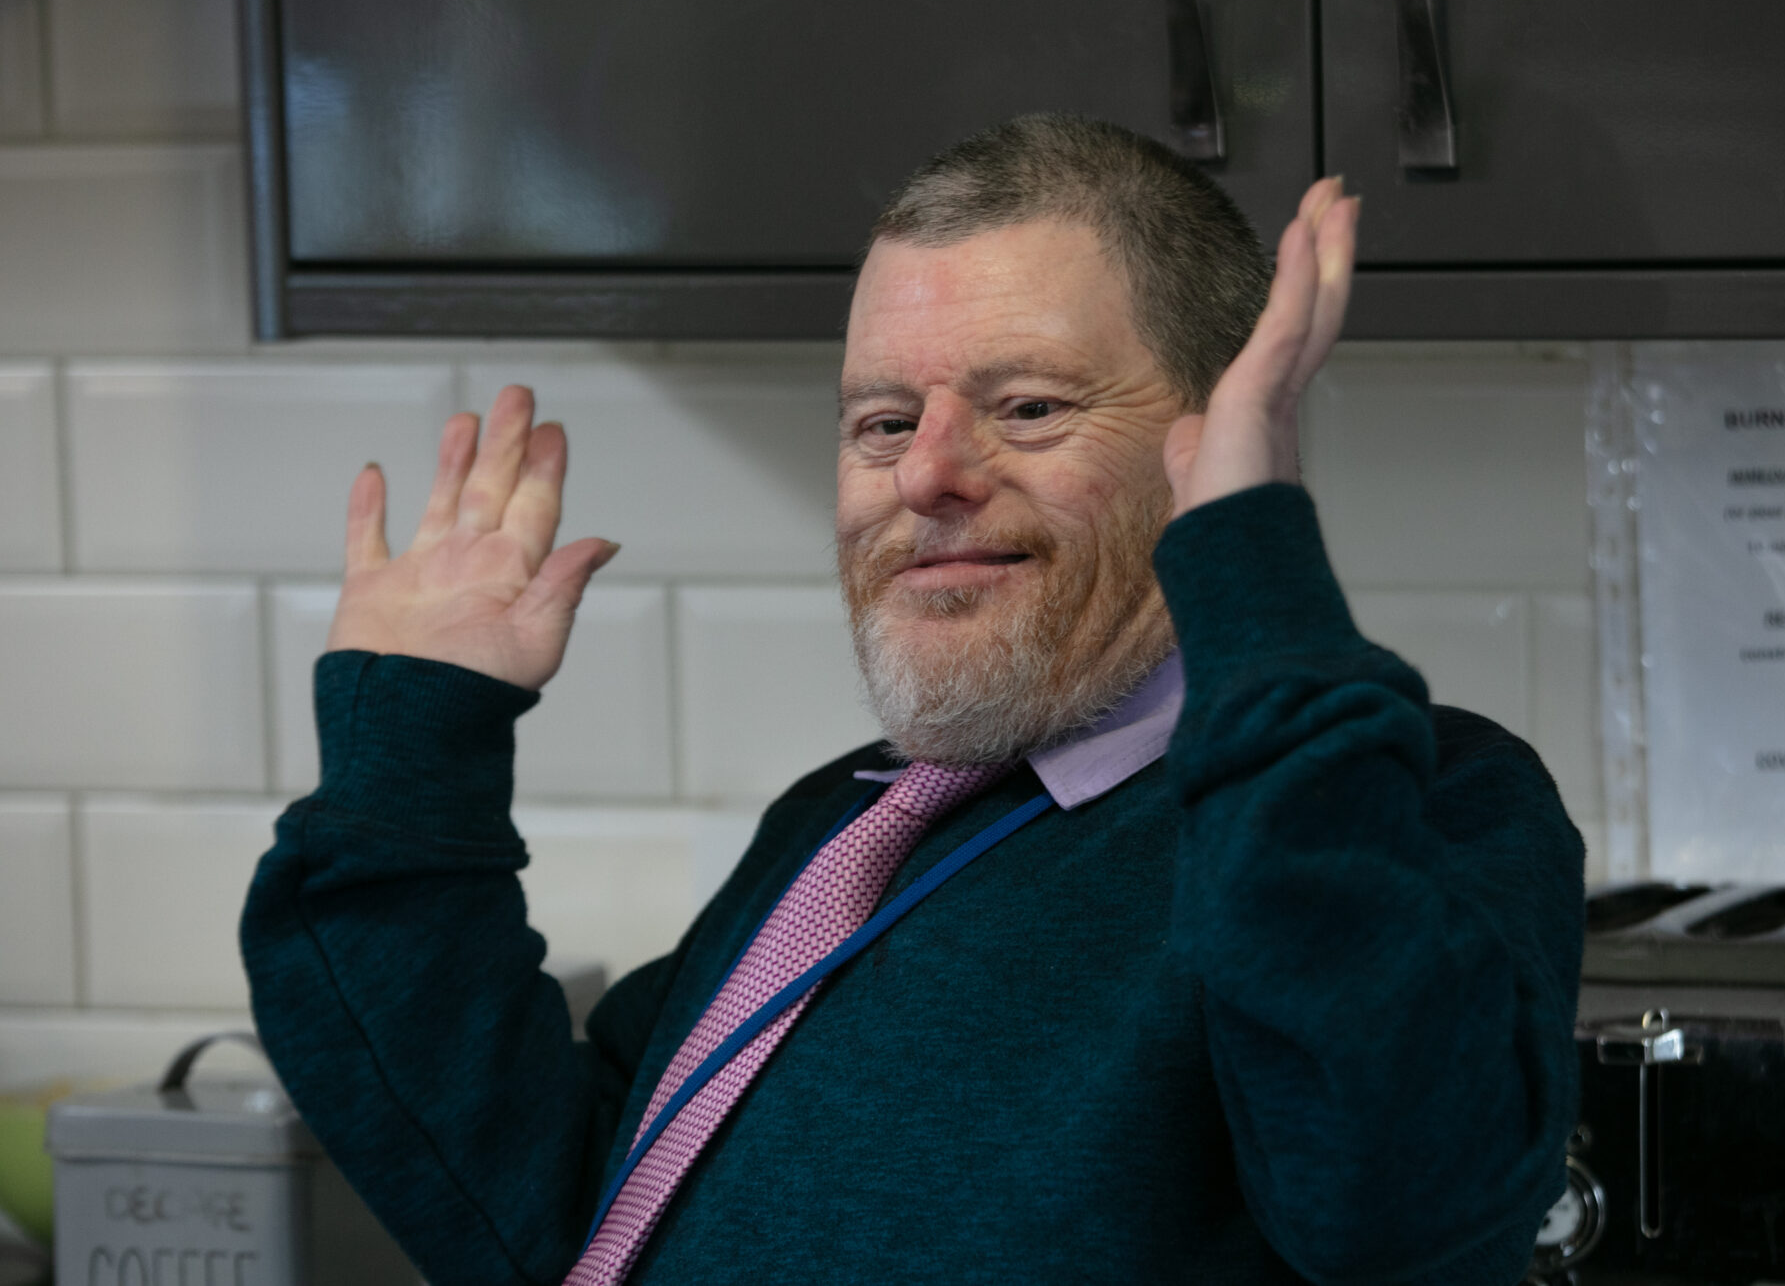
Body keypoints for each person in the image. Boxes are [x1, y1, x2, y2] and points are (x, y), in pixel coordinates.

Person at [241, 114, 1583, 1285]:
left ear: (1217, 440)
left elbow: (1396, 1210)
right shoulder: (846, 823)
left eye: (1030, 406)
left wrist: (1252, 561)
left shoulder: (1420, 802)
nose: (925, 473)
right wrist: (414, 748)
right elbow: (544, 1213)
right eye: (884, 422)